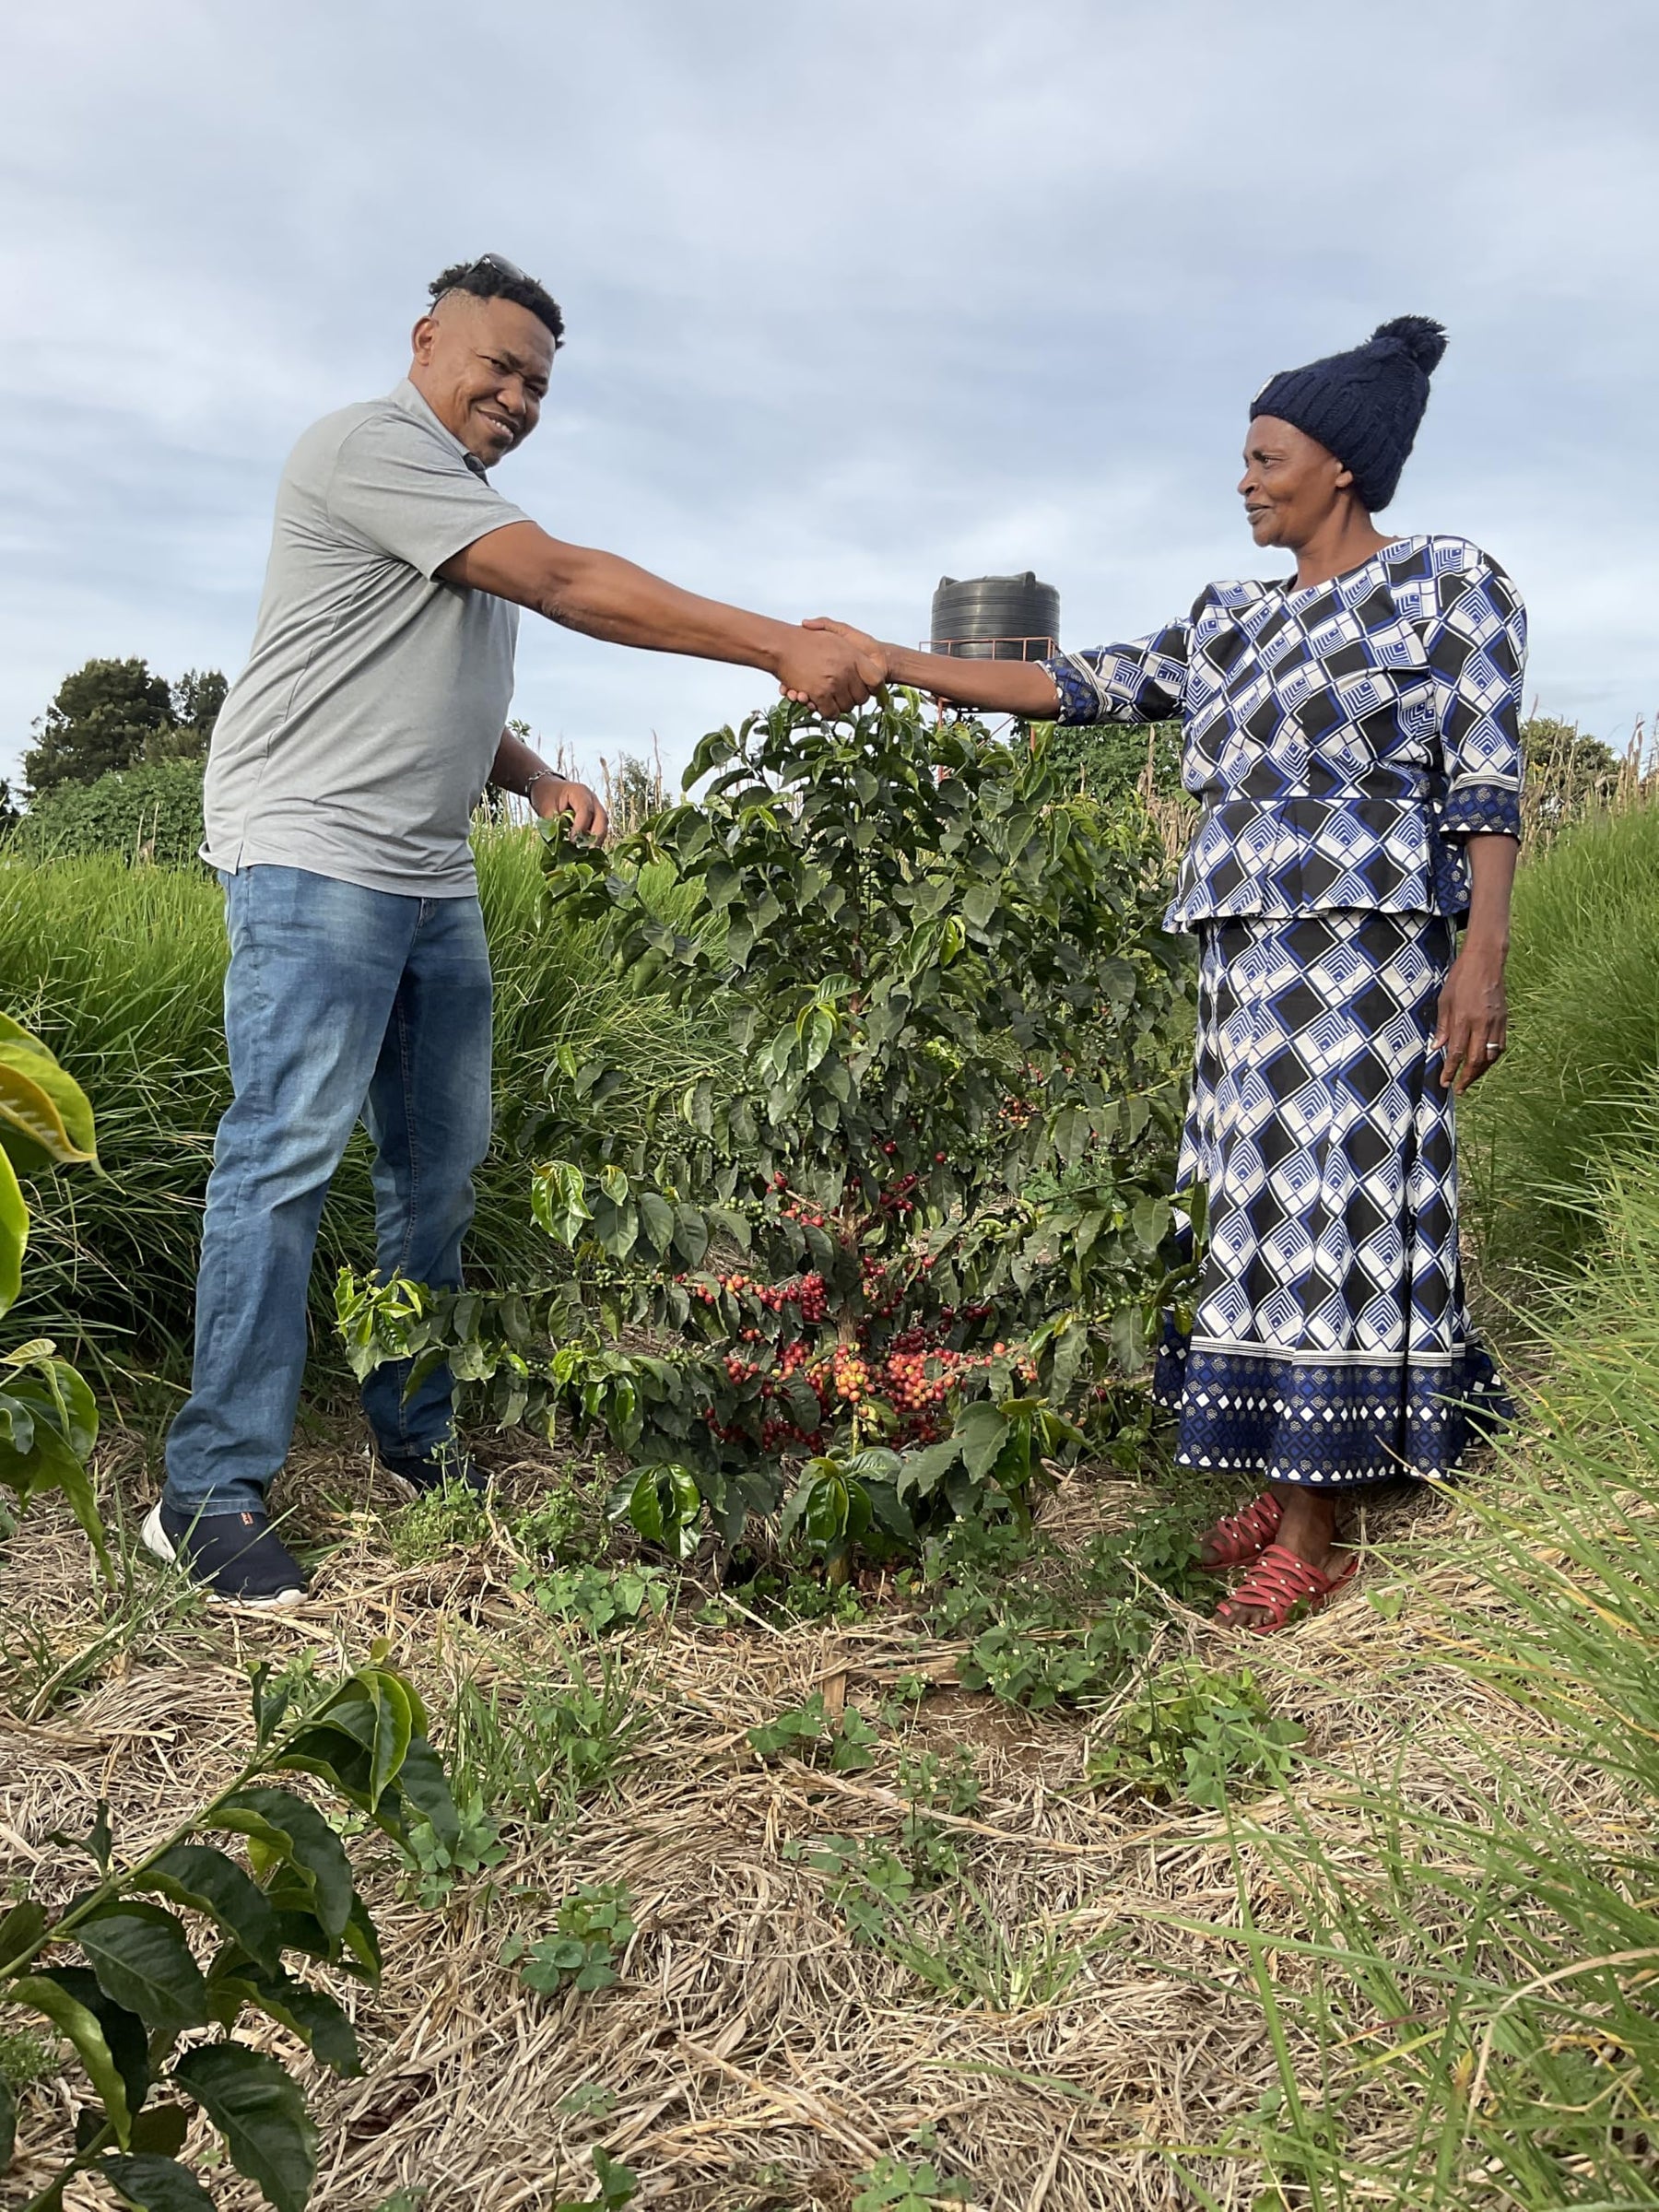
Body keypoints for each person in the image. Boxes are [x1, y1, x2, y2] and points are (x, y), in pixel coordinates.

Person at [143, 253, 877, 1609]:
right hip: (312, 856)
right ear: (427, 342)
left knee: (436, 1169)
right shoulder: (371, 448)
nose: (518, 395)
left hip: (428, 874)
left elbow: (432, 698)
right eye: (498, 365)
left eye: (539, 382)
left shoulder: (456, 509)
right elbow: (571, 580)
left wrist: (534, 778)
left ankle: (414, 1437)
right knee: (285, 1158)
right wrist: (777, 642)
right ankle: (207, 1489)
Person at [807, 316, 1523, 1631]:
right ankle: (1290, 1465)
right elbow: (1073, 684)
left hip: (1367, 956)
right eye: (1244, 457)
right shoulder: (1231, 622)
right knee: (1247, 1213)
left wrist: (1482, 959)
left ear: (1343, 469)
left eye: (1266, 456)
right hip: (1247, 964)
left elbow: (1485, 782)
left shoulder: (1444, 583)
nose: (1244, 479)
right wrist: (891, 660)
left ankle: (1320, 1523)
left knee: (1336, 1219)